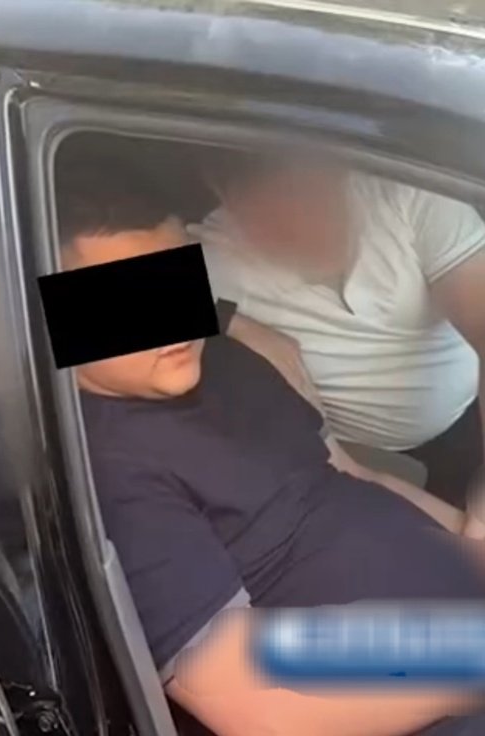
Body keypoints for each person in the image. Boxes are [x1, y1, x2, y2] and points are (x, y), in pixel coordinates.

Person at [55, 156, 485, 736]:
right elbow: (255, 702)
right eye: (123, 299)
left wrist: (471, 542)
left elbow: (352, 476)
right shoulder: (103, 468)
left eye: (175, 279)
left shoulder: (232, 362)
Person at [190, 151, 485, 525]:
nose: (310, 225)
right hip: (359, 459)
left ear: (342, 170)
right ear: (229, 200)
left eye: (315, 194)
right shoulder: (214, 259)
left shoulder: (411, 194)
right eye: (277, 210)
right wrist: (232, 321)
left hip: (473, 414)